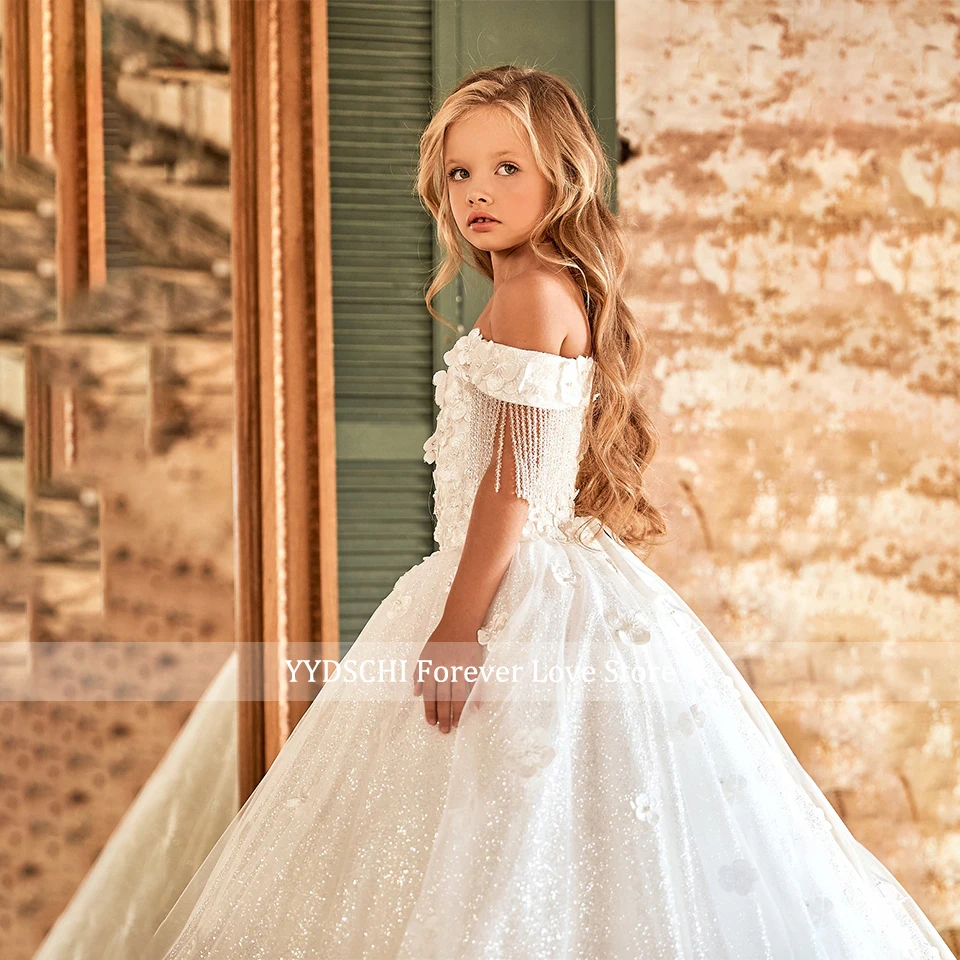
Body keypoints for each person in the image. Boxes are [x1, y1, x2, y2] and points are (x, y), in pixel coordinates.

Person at [141, 65, 954, 960]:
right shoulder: (532, 288)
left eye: (506, 170)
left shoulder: (532, 295)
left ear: (561, 178)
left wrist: (458, 623)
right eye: (459, 174)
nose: (478, 193)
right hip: (518, 578)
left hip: (506, 588)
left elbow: (514, 483)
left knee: (510, 821)